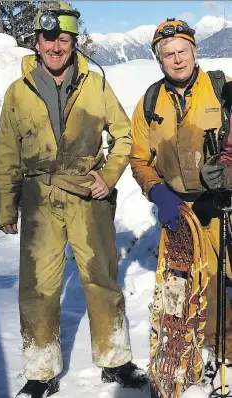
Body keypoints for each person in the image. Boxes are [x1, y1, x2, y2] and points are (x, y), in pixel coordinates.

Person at [0, 2, 147, 397]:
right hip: (39, 197)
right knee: (38, 286)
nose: (56, 46)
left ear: (74, 42)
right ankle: (41, 371)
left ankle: (115, 360)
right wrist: (6, 206)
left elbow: (124, 136)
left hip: (87, 196)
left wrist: (108, 176)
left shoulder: (95, 85)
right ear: (36, 43)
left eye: (64, 38)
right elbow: (6, 152)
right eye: (49, 38)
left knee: (102, 280)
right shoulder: (17, 92)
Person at [130, 18, 232, 382]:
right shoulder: (150, 102)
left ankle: (226, 350)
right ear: (159, 60)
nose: (177, 59)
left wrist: (226, 172)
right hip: (180, 211)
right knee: (189, 290)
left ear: (195, 50)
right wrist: (157, 191)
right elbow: (139, 158)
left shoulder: (222, 90)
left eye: (182, 51)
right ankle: (208, 353)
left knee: (223, 280)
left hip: (222, 206)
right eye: (168, 54)